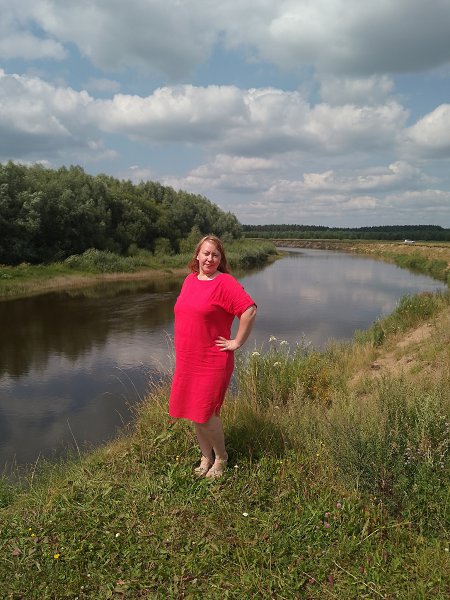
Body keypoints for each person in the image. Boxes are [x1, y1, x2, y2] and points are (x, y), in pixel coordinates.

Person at [169, 235, 257, 479]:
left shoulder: (224, 283)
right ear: (197, 255)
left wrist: (237, 342)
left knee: (207, 414)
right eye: (206, 253)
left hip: (212, 361)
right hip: (188, 360)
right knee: (195, 413)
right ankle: (205, 456)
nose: (210, 258)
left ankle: (221, 457)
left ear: (221, 259)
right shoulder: (189, 280)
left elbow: (249, 310)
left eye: (215, 255)